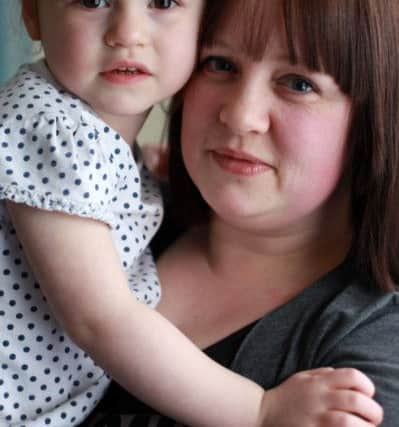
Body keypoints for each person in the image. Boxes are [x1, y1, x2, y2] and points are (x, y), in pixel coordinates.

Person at [0, 1, 380, 427]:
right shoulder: (53, 131)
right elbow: (101, 319)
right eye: (93, 0)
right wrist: (258, 410)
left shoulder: (369, 344)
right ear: (31, 14)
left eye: (162, 2)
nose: (128, 33)